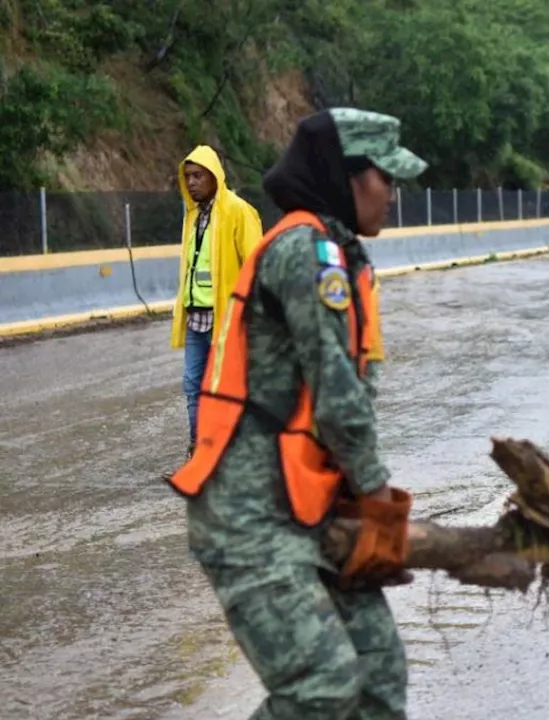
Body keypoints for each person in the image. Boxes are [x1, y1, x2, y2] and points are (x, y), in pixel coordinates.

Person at [167, 107, 428, 719]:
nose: (393, 193)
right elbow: (338, 397)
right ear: (348, 176)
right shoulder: (306, 252)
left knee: (378, 674)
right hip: (249, 517)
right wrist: (377, 504)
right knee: (322, 686)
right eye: (384, 178)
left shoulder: (339, 253)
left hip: (305, 508)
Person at [172, 145, 264, 457]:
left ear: (215, 177)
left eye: (198, 176)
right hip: (197, 316)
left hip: (228, 317)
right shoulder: (193, 216)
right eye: (188, 177)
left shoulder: (238, 211)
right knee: (193, 385)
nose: (192, 182)